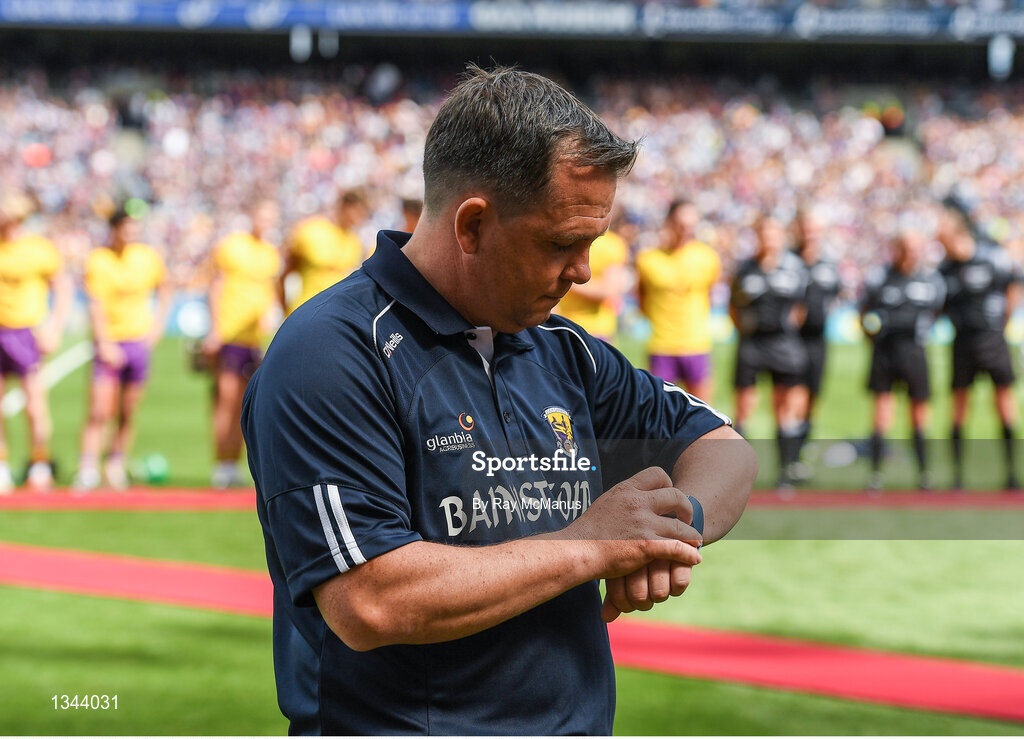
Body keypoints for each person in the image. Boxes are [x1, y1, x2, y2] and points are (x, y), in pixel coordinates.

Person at [242, 65, 757, 735]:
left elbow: (725, 450)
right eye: (559, 243)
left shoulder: (562, 348)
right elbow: (369, 599)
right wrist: (592, 546)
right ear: (473, 225)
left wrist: (669, 523)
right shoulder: (332, 351)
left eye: (591, 243)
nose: (584, 272)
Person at [73, 207, 172, 491]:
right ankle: (88, 466)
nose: (131, 234)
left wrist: (157, 327)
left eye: (134, 228)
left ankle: (116, 464)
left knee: (128, 411)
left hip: (137, 342)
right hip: (110, 342)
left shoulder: (147, 257)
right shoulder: (99, 259)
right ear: (114, 229)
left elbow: (166, 288)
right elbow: (95, 303)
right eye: (126, 228)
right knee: (99, 409)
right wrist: (103, 341)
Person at [937, 198, 1021, 490]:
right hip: (962, 344)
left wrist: (1002, 322)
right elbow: (941, 306)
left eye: (943, 238)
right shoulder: (944, 269)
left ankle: (1012, 475)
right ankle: (958, 477)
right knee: (959, 408)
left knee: (1005, 406)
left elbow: (1013, 286)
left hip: (993, 341)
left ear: (958, 235)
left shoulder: (991, 258)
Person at [203, 200, 282, 488]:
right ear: (252, 215)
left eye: (271, 215)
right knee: (225, 400)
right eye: (263, 213)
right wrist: (214, 329)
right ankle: (221, 463)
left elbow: (269, 292)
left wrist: (270, 313)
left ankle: (233, 464)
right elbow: (217, 285)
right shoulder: (232, 246)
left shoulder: (271, 254)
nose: (267, 220)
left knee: (245, 405)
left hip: (254, 340)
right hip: (229, 335)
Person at [861, 230, 946, 491]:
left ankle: (924, 474)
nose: (911, 254)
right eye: (906, 248)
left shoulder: (932, 279)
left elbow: (937, 311)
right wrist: (872, 335)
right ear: (896, 249)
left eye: (915, 249)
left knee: (920, 415)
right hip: (885, 352)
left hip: (915, 352)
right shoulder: (880, 278)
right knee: (881, 416)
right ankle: (875, 475)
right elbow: (864, 313)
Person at [729, 215, 809, 489]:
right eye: (765, 233)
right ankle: (736, 475)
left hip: (783, 345)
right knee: (744, 410)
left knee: (784, 410)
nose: (770, 239)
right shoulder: (745, 269)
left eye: (775, 233)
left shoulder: (795, 268)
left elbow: (801, 309)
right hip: (751, 345)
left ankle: (785, 474)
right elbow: (733, 306)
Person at [0, 192, 71, 492]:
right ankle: (2, 464)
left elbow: (62, 286)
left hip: (26, 332)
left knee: (35, 405)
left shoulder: (39, 249)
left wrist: (54, 326)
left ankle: (39, 463)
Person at [636, 199, 721, 399]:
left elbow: (710, 294)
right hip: (662, 345)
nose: (686, 229)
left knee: (704, 415)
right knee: (660, 415)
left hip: (697, 344)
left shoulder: (708, 257)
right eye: (681, 224)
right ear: (669, 223)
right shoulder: (648, 259)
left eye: (691, 225)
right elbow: (642, 299)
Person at [793, 209, 840, 475]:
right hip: (793, 341)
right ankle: (792, 455)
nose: (810, 234)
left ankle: (803, 448)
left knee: (813, 397)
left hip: (818, 341)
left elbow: (833, 296)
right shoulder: (790, 262)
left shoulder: (828, 266)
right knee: (795, 399)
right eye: (806, 228)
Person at [279, 189, 368, 315]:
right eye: (356, 211)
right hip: (304, 309)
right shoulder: (312, 230)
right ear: (344, 207)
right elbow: (285, 273)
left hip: (330, 314)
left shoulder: (354, 242)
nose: (358, 218)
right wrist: (285, 309)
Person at [554, 216, 630, 342]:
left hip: (596, 331)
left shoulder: (612, 244)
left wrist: (571, 282)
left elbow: (609, 291)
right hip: (562, 326)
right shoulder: (564, 238)